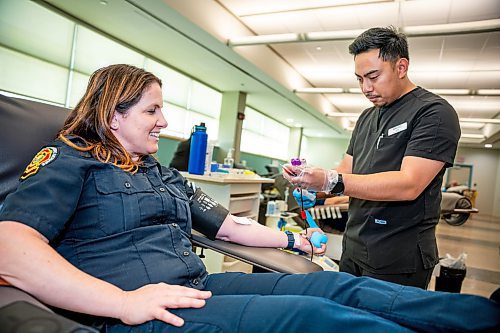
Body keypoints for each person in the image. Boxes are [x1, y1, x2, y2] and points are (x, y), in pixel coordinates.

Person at [0, 64, 498, 333]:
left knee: (342, 291)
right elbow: (11, 250)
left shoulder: (158, 171)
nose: (164, 121)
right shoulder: (67, 159)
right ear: (113, 115)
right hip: (149, 312)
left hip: (199, 286)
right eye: (153, 110)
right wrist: (122, 302)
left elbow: (229, 227)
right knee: (319, 320)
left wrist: (294, 240)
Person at [283, 26, 461, 289]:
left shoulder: (433, 113)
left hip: (398, 256)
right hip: (354, 244)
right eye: (359, 79)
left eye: (373, 76)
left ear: (401, 67)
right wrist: (312, 184)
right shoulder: (367, 118)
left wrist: (330, 180)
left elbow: (409, 184)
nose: (365, 88)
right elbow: (347, 170)